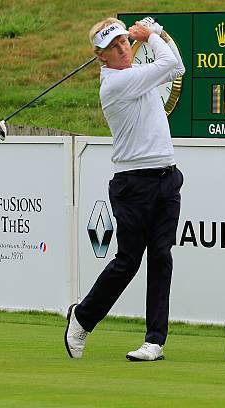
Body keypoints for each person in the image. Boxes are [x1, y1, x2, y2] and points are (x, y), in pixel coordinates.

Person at [64, 17, 185, 361]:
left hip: (166, 176)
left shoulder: (133, 73)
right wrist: (154, 34)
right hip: (133, 184)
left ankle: (154, 342)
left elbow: (177, 66)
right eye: (114, 47)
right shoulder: (116, 84)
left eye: (123, 42)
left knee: (161, 257)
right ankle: (82, 318)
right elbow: (173, 64)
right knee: (128, 261)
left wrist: (153, 36)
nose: (122, 50)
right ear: (101, 57)